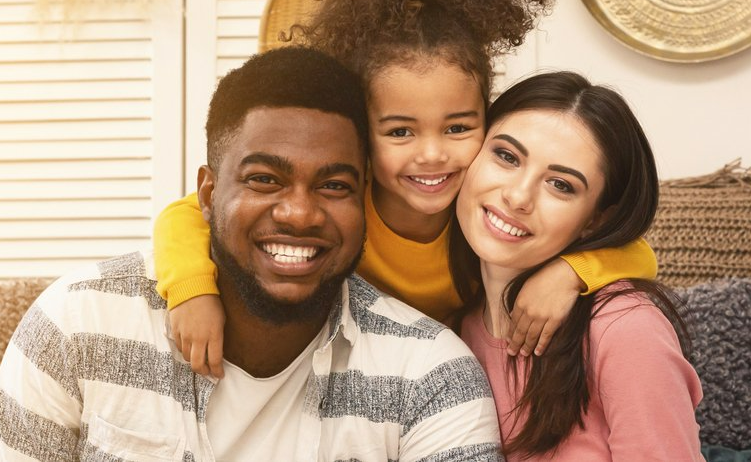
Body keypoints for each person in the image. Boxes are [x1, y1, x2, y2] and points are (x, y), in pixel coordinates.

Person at [154, 0, 659, 379]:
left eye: (459, 127)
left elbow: (638, 254)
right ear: (362, 136)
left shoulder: (487, 215)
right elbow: (186, 214)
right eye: (400, 131)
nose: (433, 154)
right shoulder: (342, 205)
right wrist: (193, 291)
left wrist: (568, 273)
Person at [0, 47, 502, 461]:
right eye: (264, 179)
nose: (300, 214)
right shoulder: (78, 323)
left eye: (333, 185)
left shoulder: (433, 375)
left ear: (364, 196)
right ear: (207, 192)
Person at [451, 71, 704, 460]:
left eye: (561, 185)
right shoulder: (455, 328)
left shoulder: (624, 329)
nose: (518, 196)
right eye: (506, 156)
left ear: (596, 220)